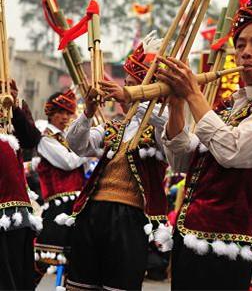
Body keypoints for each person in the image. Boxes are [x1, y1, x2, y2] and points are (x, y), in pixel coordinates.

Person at [159, 0, 252, 290]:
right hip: (192, 238)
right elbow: (183, 160)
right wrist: (176, 106)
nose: (244, 52)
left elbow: (233, 151)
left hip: (232, 250)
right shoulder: (227, 108)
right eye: (240, 44)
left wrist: (193, 95)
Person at [65, 33, 170, 291]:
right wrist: (88, 113)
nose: (124, 91)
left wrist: (132, 97)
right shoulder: (114, 126)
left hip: (130, 219)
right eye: (126, 84)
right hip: (92, 212)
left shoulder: (161, 126)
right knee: (81, 284)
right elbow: (77, 145)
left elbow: (172, 132)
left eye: (133, 86)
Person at [34, 90, 87, 282]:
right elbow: (68, 162)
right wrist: (88, 149)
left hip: (76, 206)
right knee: (43, 260)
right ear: (50, 112)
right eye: (60, 112)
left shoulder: (68, 137)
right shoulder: (45, 137)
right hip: (57, 207)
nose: (65, 117)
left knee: (75, 262)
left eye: (68, 113)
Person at [0, 80, 42, 290]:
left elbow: (31, 140)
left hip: (16, 207)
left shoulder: (11, 101)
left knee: (16, 276)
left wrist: (15, 107)